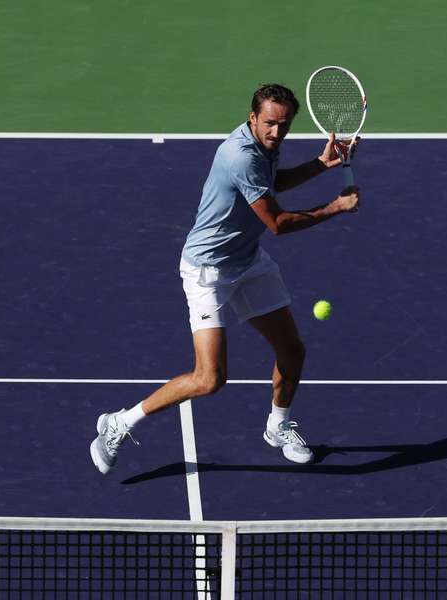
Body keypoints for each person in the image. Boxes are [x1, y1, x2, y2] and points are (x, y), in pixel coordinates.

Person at [90, 83, 360, 474]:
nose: (276, 133)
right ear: (253, 118)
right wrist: (335, 206)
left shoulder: (264, 144)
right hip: (208, 272)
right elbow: (279, 224)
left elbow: (272, 182)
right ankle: (118, 423)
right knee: (209, 378)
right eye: (269, 124)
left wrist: (321, 164)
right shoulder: (239, 155)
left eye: (284, 126)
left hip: (247, 261)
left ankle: (277, 427)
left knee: (292, 350)